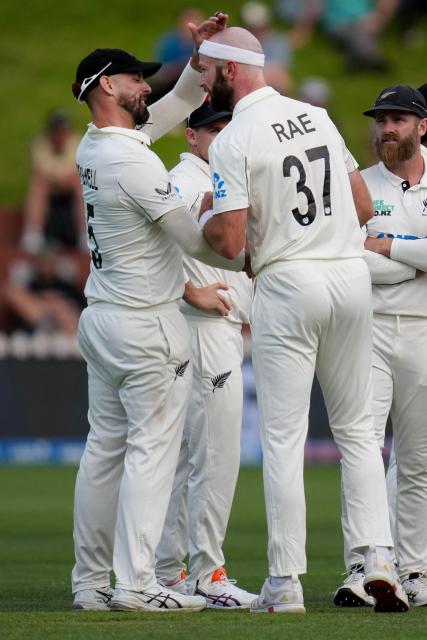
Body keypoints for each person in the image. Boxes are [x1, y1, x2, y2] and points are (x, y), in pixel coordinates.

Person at [196, 26, 408, 613]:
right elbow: (363, 206)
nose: (204, 82)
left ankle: (286, 582)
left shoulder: (232, 139)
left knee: (284, 439)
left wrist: (203, 224)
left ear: (230, 72)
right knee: (360, 433)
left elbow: (232, 240)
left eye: (208, 70)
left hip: (290, 280)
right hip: (349, 273)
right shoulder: (315, 115)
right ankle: (379, 560)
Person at [71, 14, 246, 614]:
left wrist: (204, 58)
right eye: (134, 79)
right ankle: (139, 584)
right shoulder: (135, 165)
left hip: (104, 318)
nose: (146, 86)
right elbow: (200, 244)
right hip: (145, 327)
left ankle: (92, 583)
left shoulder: (98, 146)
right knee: (153, 452)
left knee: (104, 452)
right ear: (104, 88)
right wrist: (234, 213)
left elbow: (173, 106)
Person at [155, 102, 256, 608]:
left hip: (216, 325)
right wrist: (182, 290)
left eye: (229, 130)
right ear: (191, 136)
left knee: (188, 456)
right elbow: (151, 247)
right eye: (213, 130)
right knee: (214, 454)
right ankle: (206, 574)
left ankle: (171, 569)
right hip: (203, 326)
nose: (223, 138)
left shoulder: (217, 183)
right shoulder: (186, 182)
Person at [335, 84, 427, 608]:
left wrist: (387, 245)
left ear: (422, 126)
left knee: (417, 458)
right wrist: (415, 261)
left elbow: (371, 252)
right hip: (366, 328)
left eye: (397, 120)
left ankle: (413, 569)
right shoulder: (359, 185)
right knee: (364, 448)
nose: (385, 129)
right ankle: (364, 564)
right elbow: (349, 255)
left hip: (423, 329)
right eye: (381, 120)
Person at [20, 111, 86, 254]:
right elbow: (40, 172)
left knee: (78, 184)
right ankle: (33, 233)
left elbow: (75, 173)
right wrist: (60, 178)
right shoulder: (39, 144)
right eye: (57, 132)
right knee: (39, 185)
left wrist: (58, 177)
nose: (60, 136)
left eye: (63, 131)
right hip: (50, 187)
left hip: (69, 186)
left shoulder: (76, 143)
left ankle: (84, 233)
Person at [240, 1, 293, 94]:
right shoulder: (238, 41)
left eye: (260, 26)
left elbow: (283, 79)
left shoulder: (278, 42)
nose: (258, 31)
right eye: (253, 27)